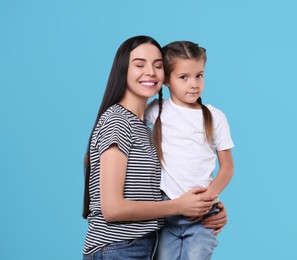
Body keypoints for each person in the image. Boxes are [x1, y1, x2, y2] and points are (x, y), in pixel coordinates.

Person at [82, 36, 227, 260]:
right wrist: (179, 206)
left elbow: (166, 182)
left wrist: (206, 205)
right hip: (118, 247)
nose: (150, 72)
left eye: (157, 65)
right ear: (123, 70)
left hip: (144, 244)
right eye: (139, 64)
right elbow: (111, 209)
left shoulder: (147, 125)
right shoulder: (118, 121)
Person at [145, 41, 234, 260]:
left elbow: (228, 167)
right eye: (183, 77)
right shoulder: (155, 111)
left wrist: (209, 197)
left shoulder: (215, 117)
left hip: (202, 216)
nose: (194, 84)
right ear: (166, 80)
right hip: (166, 212)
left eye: (199, 75)